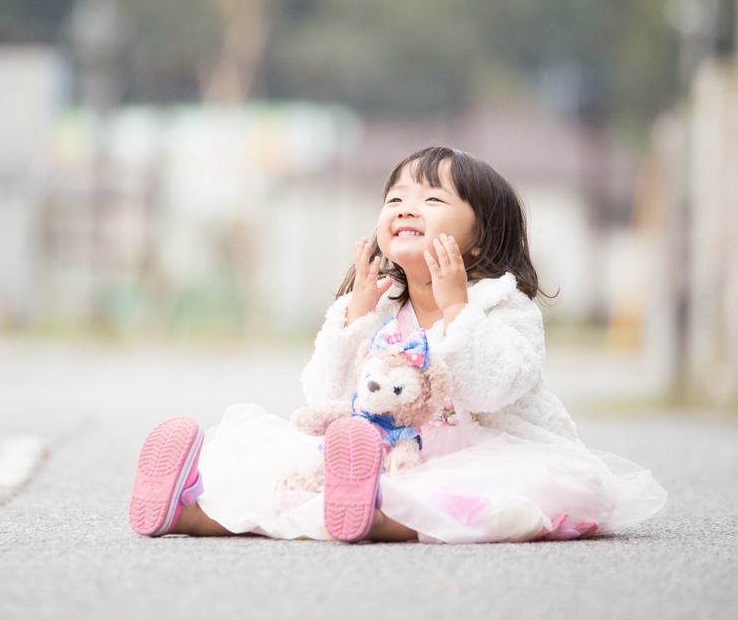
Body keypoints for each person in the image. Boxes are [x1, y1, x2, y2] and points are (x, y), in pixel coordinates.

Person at [128, 145, 667, 543]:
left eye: (433, 199)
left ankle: (376, 517)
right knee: (287, 476)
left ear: (479, 236)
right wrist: (354, 321)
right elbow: (325, 395)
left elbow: (491, 390)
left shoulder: (501, 307)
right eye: (396, 198)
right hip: (373, 454)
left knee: (492, 499)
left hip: (482, 451)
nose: (407, 207)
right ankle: (190, 510)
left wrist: (457, 311)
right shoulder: (376, 305)